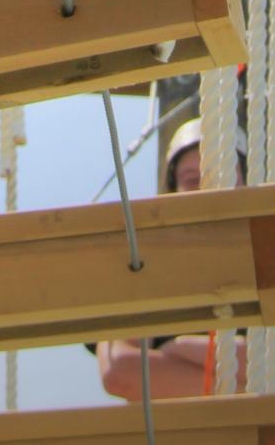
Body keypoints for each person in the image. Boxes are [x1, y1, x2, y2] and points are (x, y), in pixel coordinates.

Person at [93, 114, 250, 400]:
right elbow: (120, 371)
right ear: (174, 192)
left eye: (223, 175)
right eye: (192, 180)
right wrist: (241, 385)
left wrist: (180, 348)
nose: (207, 188)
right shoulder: (145, 269)